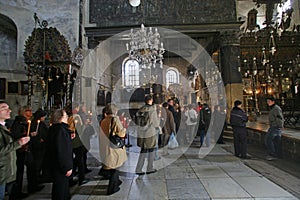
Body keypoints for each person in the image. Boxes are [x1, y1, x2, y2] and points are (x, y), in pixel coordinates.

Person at [10, 106, 44, 198]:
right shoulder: (19, 122)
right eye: (28, 111)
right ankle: (16, 192)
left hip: (27, 149)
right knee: (19, 172)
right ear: (24, 112)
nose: (31, 112)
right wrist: (28, 135)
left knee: (31, 168)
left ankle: (32, 186)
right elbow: (16, 135)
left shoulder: (26, 121)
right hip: (21, 150)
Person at [0, 101, 30, 200]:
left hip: (7, 171)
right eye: (4, 108)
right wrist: (18, 143)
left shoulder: (5, 126)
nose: (10, 110)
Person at [99, 104, 127, 195]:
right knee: (115, 167)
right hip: (113, 148)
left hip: (105, 146)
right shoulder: (115, 119)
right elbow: (121, 133)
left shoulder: (103, 120)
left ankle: (117, 181)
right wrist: (124, 129)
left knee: (112, 165)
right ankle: (112, 188)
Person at [48, 109, 73, 200]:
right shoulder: (61, 130)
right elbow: (62, 151)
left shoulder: (55, 129)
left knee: (59, 189)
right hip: (60, 168)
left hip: (55, 165)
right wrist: (67, 167)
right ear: (61, 118)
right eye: (66, 116)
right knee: (61, 191)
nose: (67, 117)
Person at [135, 95, 160, 175]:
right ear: (151, 100)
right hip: (150, 133)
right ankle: (149, 168)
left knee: (143, 151)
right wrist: (158, 118)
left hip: (141, 133)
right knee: (151, 150)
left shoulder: (140, 110)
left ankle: (138, 169)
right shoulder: (152, 110)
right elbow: (156, 123)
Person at [31, 109, 48, 184]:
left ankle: (39, 178)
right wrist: (39, 139)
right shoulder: (36, 123)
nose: (44, 118)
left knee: (40, 164)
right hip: (37, 147)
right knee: (37, 164)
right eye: (43, 116)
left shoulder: (41, 123)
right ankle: (35, 180)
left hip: (42, 146)